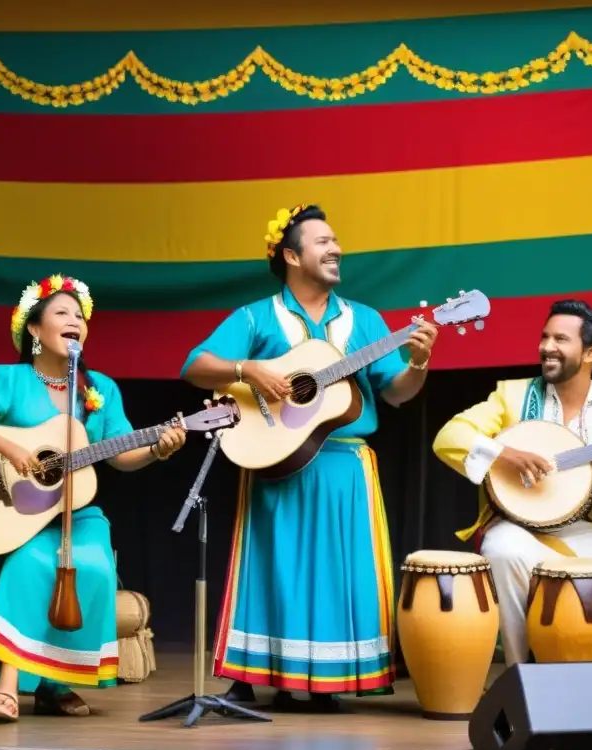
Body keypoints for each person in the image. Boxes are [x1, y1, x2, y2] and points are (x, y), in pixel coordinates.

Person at [180, 205, 437, 710]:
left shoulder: (363, 320)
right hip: (273, 458)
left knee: (339, 577)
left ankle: (329, 682)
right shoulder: (257, 316)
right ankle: (250, 673)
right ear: (292, 255)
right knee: (270, 570)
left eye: (336, 240)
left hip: (345, 465)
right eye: (323, 242)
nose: (336, 248)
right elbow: (195, 366)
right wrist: (248, 369)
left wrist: (420, 362)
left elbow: (398, 392)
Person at [0, 275, 186, 722]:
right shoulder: (9, 380)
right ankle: (8, 690)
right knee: (31, 562)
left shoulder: (101, 390)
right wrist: (11, 449)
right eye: (62, 313)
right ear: (34, 330)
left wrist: (156, 449)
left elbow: (122, 453)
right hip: (16, 513)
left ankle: (54, 683)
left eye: (80, 316)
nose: (76, 322)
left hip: (77, 513)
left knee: (91, 565)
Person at [432, 299, 592, 666]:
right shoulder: (511, 394)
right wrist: (505, 454)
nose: (547, 346)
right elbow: (449, 437)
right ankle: (521, 676)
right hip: (519, 527)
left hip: (588, 530)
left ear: (590, 352)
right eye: (545, 337)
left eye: (561, 339)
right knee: (504, 553)